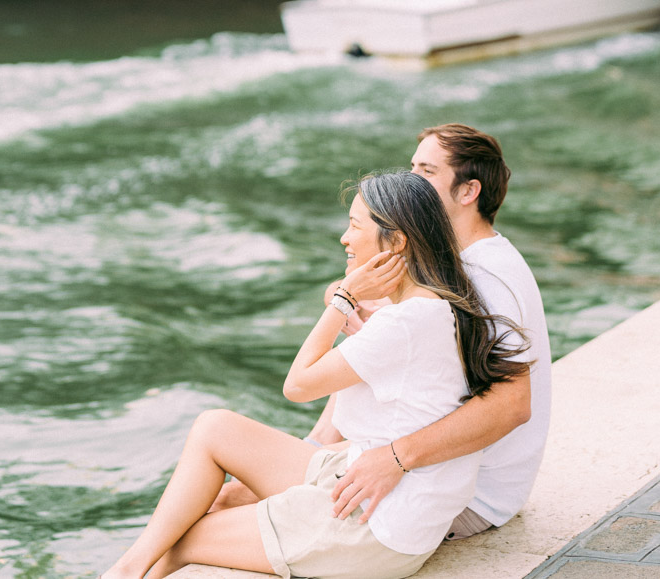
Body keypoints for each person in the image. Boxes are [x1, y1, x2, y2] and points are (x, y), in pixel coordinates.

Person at [102, 170, 529, 579]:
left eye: (354, 226)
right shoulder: (434, 307)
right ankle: (124, 571)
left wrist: (344, 298)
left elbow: (297, 385)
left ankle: (123, 571)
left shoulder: (405, 322)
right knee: (214, 428)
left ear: (395, 241)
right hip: (372, 487)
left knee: (181, 535)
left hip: (374, 529)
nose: (345, 238)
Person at [213, 123, 552, 542]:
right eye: (412, 168)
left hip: (467, 490)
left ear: (468, 193)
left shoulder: (485, 276)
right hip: (436, 461)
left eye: (426, 172)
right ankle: (317, 441)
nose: (411, 181)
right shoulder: (449, 266)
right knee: (243, 486)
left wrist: (394, 458)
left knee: (234, 499)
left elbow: (512, 405)